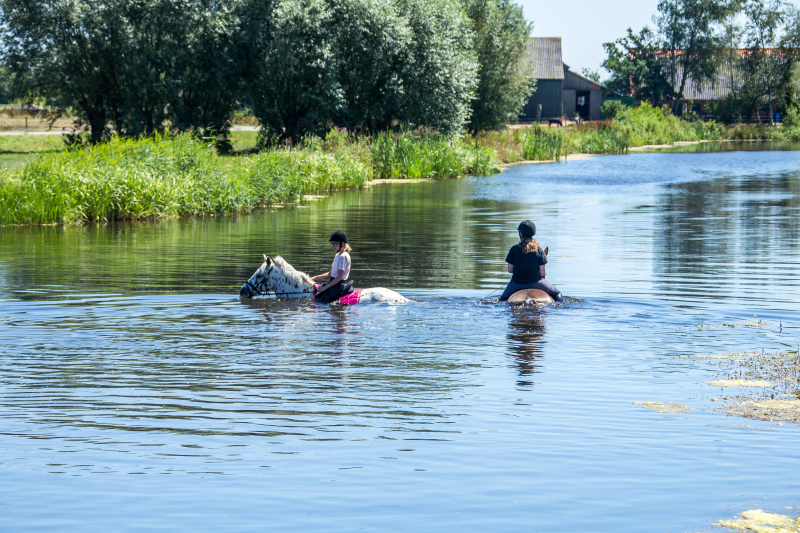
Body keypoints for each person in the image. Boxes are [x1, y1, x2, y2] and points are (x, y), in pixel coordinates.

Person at [499, 220, 563, 302]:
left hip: (516, 284)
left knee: (501, 301)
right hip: (536, 283)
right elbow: (542, 272)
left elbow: (510, 270)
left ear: (520, 234)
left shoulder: (514, 249)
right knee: (558, 294)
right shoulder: (539, 250)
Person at [311, 230, 352, 303]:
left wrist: (324, 288)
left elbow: (339, 277)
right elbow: (330, 274)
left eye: (335, 244)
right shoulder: (337, 255)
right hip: (333, 282)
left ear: (342, 243)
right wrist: (315, 277)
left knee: (322, 302)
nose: (333, 246)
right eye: (332, 244)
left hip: (338, 285)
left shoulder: (343, 256)